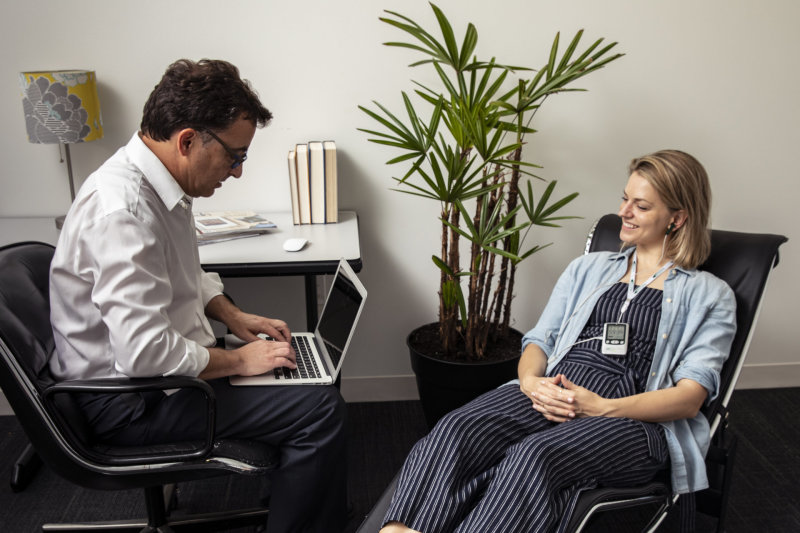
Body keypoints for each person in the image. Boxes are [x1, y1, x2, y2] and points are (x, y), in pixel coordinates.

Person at [49, 59, 347, 533]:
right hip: (130, 402)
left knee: (302, 373)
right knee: (319, 408)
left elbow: (187, 272)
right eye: (235, 156)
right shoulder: (122, 211)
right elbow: (144, 353)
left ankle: (291, 504)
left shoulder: (161, 186)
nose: (237, 171)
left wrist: (233, 315)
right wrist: (238, 362)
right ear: (187, 140)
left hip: (157, 379)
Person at [380, 150, 737, 533]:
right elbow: (540, 340)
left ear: (677, 218)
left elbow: (689, 397)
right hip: (553, 389)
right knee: (456, 429)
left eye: (641, 205)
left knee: (533, 456)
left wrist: (602, 407)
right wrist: (532, 383)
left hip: (633, 418)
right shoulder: (588, 268)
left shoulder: (710, 296)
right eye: (625, 198)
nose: (624, 211)